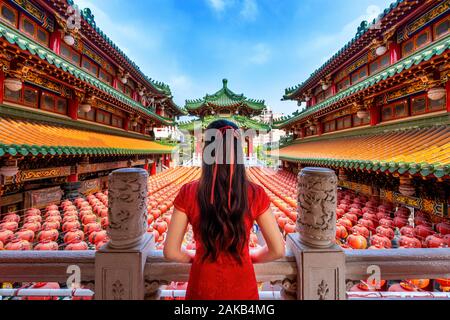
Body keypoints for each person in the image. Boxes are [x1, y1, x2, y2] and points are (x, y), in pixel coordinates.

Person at [164, 120, 285, 300]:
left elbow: (171, 251)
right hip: (243, 290)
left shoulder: (188, 193)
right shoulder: (255, 193)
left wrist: (196, 256)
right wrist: (249, 254)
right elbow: (277, 250)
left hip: (202, 288)